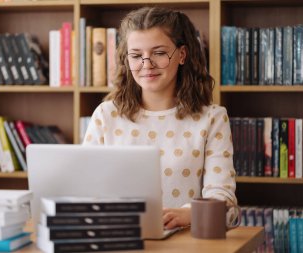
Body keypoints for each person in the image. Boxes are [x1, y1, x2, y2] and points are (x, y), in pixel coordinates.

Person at [82, 7, 238, 230]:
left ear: (181, 55)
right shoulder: (106, 115)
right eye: (136, 55)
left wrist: (189, 214)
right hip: (119, 237)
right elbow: (84, 189)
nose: (147, 65)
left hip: (185, 242)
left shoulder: (213, 118)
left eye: (159, 53)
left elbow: (224, 199)